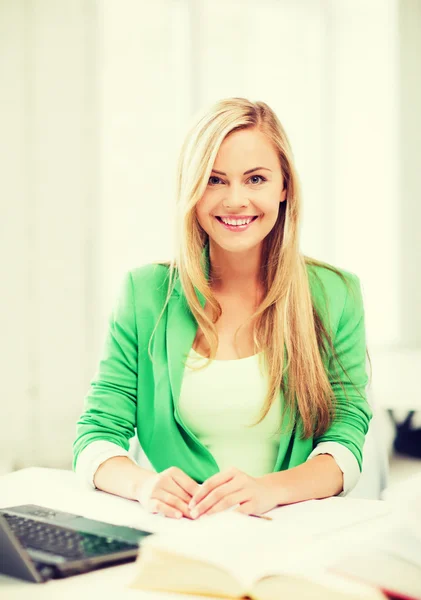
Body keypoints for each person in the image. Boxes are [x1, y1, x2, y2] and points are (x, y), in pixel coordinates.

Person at [73, 97, 372, 520]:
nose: (235, 200)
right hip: (182, 533)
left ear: (284, 186)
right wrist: (144, 485)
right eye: (215, 180)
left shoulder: (336, 293)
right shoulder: (146, 293)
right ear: (191, 190)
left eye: (255, 179)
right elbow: (96, 436)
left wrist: (269, 490)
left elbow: (345, 442)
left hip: (292, 531)